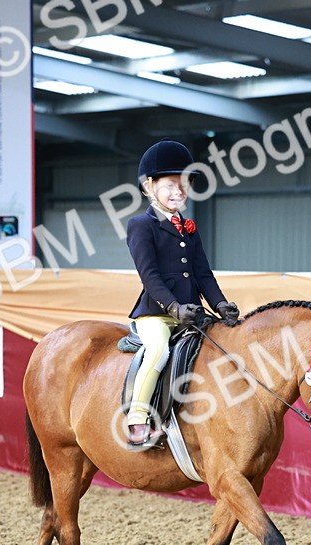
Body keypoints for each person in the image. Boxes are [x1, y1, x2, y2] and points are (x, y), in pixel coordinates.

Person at [124, 140, 239, 447]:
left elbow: (203, 273)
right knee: (159, 351)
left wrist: (220, 303)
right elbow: (149, 276)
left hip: (192, 313)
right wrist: (173, 307)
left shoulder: (188, 228)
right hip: (156, 314)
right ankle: (137, 419)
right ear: (150, 186)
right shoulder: (140, 225)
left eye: (184, 185)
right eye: (171, 185)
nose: (179, 192)